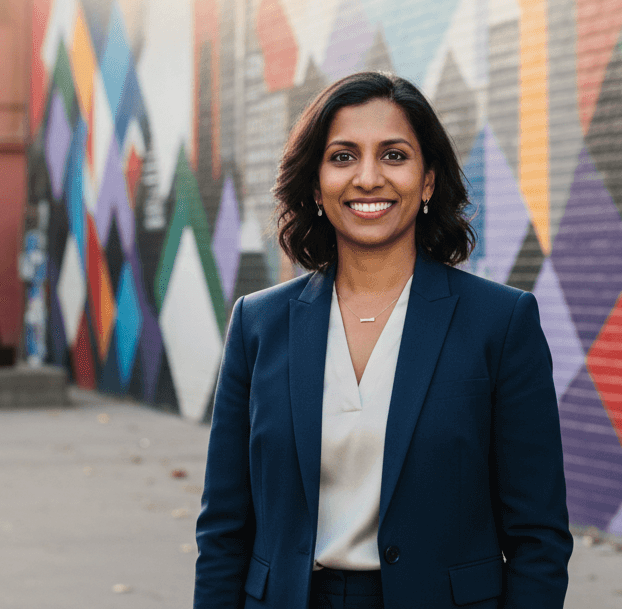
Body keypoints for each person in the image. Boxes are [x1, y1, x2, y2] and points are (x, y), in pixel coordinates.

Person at [194, 71, 571, 608]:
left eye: (394, 155)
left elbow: (538, 538)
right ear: (316, 183)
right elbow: (223, 531)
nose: (368, 177)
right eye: (343, 157)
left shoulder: (500, 323)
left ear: (428, 181)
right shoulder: (258, 324)